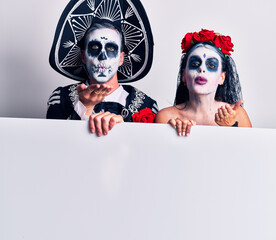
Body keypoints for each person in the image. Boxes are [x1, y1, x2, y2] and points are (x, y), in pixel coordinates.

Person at [46, 0, 158, 137]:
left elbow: (148, 152)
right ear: (83, 56)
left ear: (121, 58)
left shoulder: (146, 106)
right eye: (94, 47)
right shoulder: (61, 99)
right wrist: (84, 108)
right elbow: (55, 147)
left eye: (111, 48)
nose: (102, 56)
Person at [155, 29, 251, 136]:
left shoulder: (237, 115)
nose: (202, 69)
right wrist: (172, 132)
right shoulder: (166, 117)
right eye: (195, 64)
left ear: (222, 77)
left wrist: (232, 126)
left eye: (211, 65)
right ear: (183, 75)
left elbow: (249, 151)